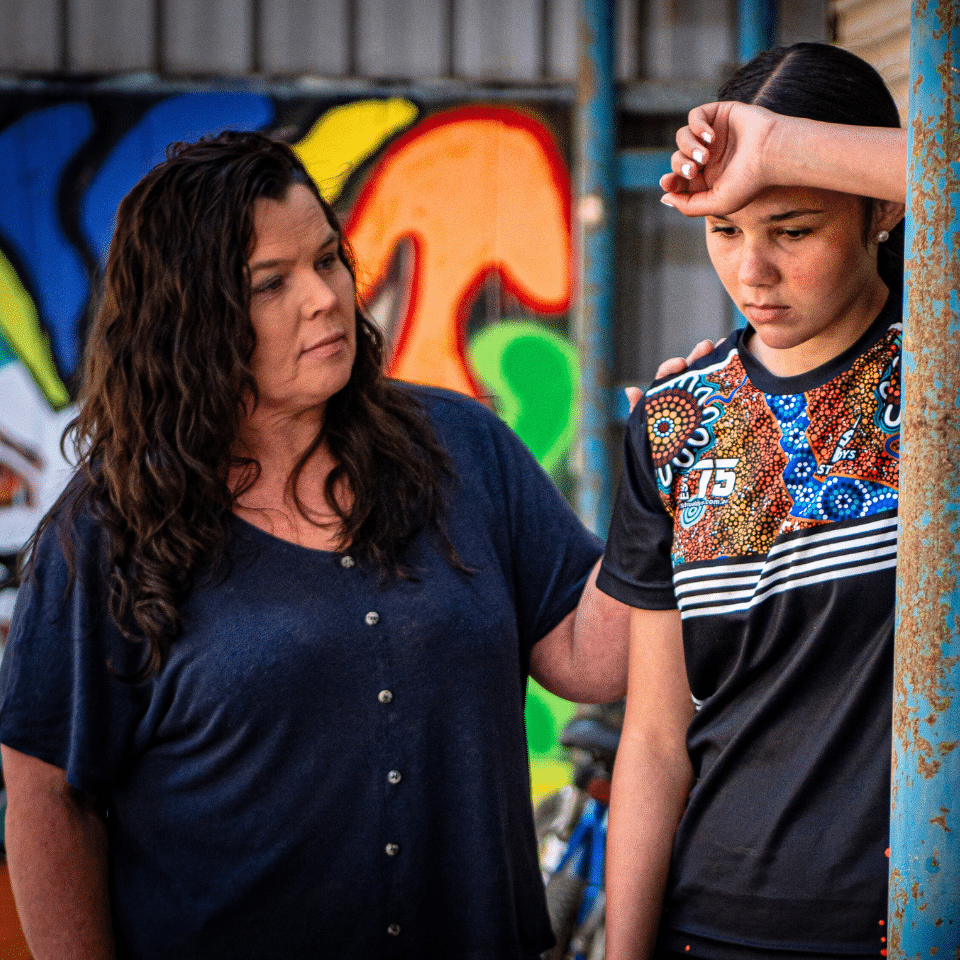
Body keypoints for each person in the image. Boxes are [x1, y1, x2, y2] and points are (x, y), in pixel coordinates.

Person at [0, 130, 632, 960]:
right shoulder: (110, 530)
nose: (325, 297)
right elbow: (47, 797)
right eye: (271, 284)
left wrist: (676, 497)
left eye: (328, 260)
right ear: (189, 319)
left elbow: (594, 659)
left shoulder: (461, 450)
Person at [598, 43, 909, 960]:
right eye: (726, 229)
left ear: (882, 207)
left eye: (794, 228)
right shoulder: (677, 421)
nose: (752, 272)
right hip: (714, 925)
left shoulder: (938, 382)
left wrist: (774, 142)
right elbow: (655, 742)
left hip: (914, 919)